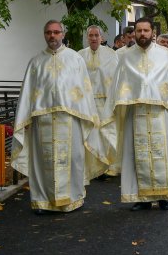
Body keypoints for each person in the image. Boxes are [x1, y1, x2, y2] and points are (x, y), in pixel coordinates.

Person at [11, 20, 112, 214]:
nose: (53, 36)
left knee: (72, 159)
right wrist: (25, 120)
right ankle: (42, 201)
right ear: (44, 35)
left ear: (63, 34)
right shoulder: (35, 62)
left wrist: (87, 118)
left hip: (70, 120)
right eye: (49, 32)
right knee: (43, 161)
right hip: (43, 121)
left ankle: (73, 198)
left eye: (56, 32)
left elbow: (84, 91)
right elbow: (27, 95)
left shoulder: (75, 59)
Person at [106, 17, 168, 211]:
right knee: (135, 154)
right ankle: (141, 198)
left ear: (152, 33)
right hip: (136, 113)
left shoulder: (165, 55)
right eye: (138, 31)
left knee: (163, 153)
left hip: (160, 114)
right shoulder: (126, 57)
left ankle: (164, 196)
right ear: (134, 33)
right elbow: (117, 86)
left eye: (146, 31)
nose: (142, 34)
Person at [78, 26, 119, 175]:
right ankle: (94, 166)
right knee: (91, 133)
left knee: (106, 133)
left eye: (96, 35)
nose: (94, 38)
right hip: (87, 102)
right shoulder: (80, 55)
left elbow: (116, 79)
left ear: (101, 37)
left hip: (106, 101)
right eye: (91, 36)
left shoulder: (112, 55)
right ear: (87, 37)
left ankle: (109, 164)